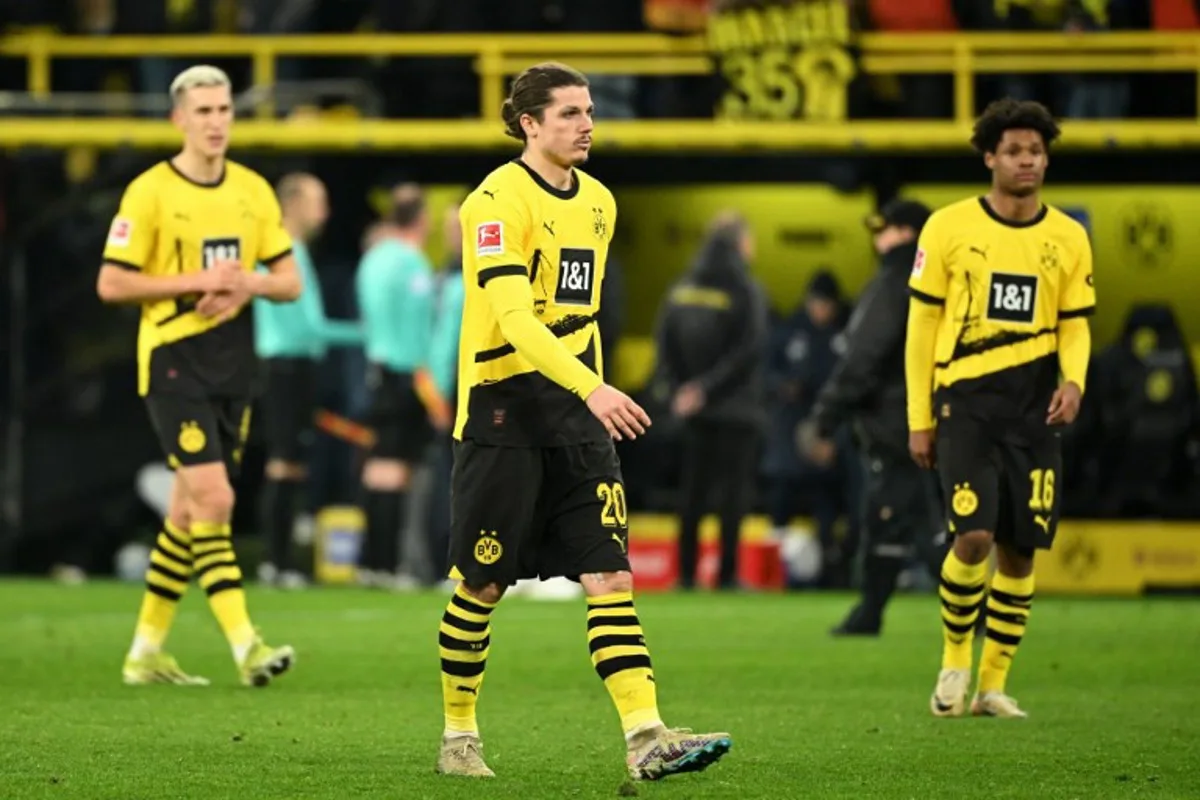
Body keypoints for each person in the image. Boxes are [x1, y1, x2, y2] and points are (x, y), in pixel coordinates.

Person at [436, 62, 731, 782]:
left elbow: (583, 316)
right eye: (568, 113)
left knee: (610, 576)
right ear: (528, 124)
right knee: (480, 587)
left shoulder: (599, 202)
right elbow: (514, 317)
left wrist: (591, 397)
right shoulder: (495, 203)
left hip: (577, 420)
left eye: (590, 110)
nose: (586, 124)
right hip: (504, 414)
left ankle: (645, 736)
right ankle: (458, 735)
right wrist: (593, 387)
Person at [96, 65, 299, 687]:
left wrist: (247, 286)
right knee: (215, 498)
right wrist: (196, 282)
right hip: (173, 359)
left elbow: (288, 282)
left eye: (223, 110)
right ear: (178, 119)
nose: (215, 122)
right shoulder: (150, 192)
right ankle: (246, 647)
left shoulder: (253, 191)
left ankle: (144, 653)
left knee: (187, 514)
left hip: (233, 363)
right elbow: (112, 282)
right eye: (203, 111)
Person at [906, 98, 1095, 719]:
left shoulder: (1068, 236)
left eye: (1036, 152)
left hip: (1035, 411)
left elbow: (1075, 324)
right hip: (966, 404)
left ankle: (993, 685)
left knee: (1020, 550)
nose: (1026, 161)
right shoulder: (948, 228)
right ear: (990, 156)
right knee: (974, 537)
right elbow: (921, 327)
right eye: (1014, 151)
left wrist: (1075, 381)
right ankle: (955, 662)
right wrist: (919, 416)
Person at [804, 199, 944, 634]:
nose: (877, 238)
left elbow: (864, 354)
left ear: (905, 233)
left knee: (915, 521)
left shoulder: (893, 281)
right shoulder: (943, 278)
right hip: (935, 413)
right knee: (894, 517)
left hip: (895, 420)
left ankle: (972, 612)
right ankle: (869, 612)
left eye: (885, 229)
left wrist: (824, 417)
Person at [254, 172, 362, 589]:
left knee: (291, 465)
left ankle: (279, 561)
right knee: (284, 464)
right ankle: (274, 561)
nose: (326, 211)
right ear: (295, 203)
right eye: (318, 201)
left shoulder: (290, 249)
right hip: (285, 367)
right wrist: (367, 334)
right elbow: (311, 327)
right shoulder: (282, 251)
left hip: (293, 366)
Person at [653, 212, 769, 590]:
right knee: (732, 497)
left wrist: (683, 390)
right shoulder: (745, 290)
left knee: (692, 495)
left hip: (692, 411)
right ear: (739, 243)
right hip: (735, 409)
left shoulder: (681, 287)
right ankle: (727, 574)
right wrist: (708, 388)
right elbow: (749, 349)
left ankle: (686, 574)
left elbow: (664, 344)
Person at [354, 183, 436, 588]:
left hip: (375, 367)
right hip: (404, 375)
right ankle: (386, 565)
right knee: (395, 471)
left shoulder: (372, 258)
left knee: (376, 471)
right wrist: (430, 386)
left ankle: (369, 561)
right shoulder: (412, 263)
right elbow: (419, 330)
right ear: (421, 219)